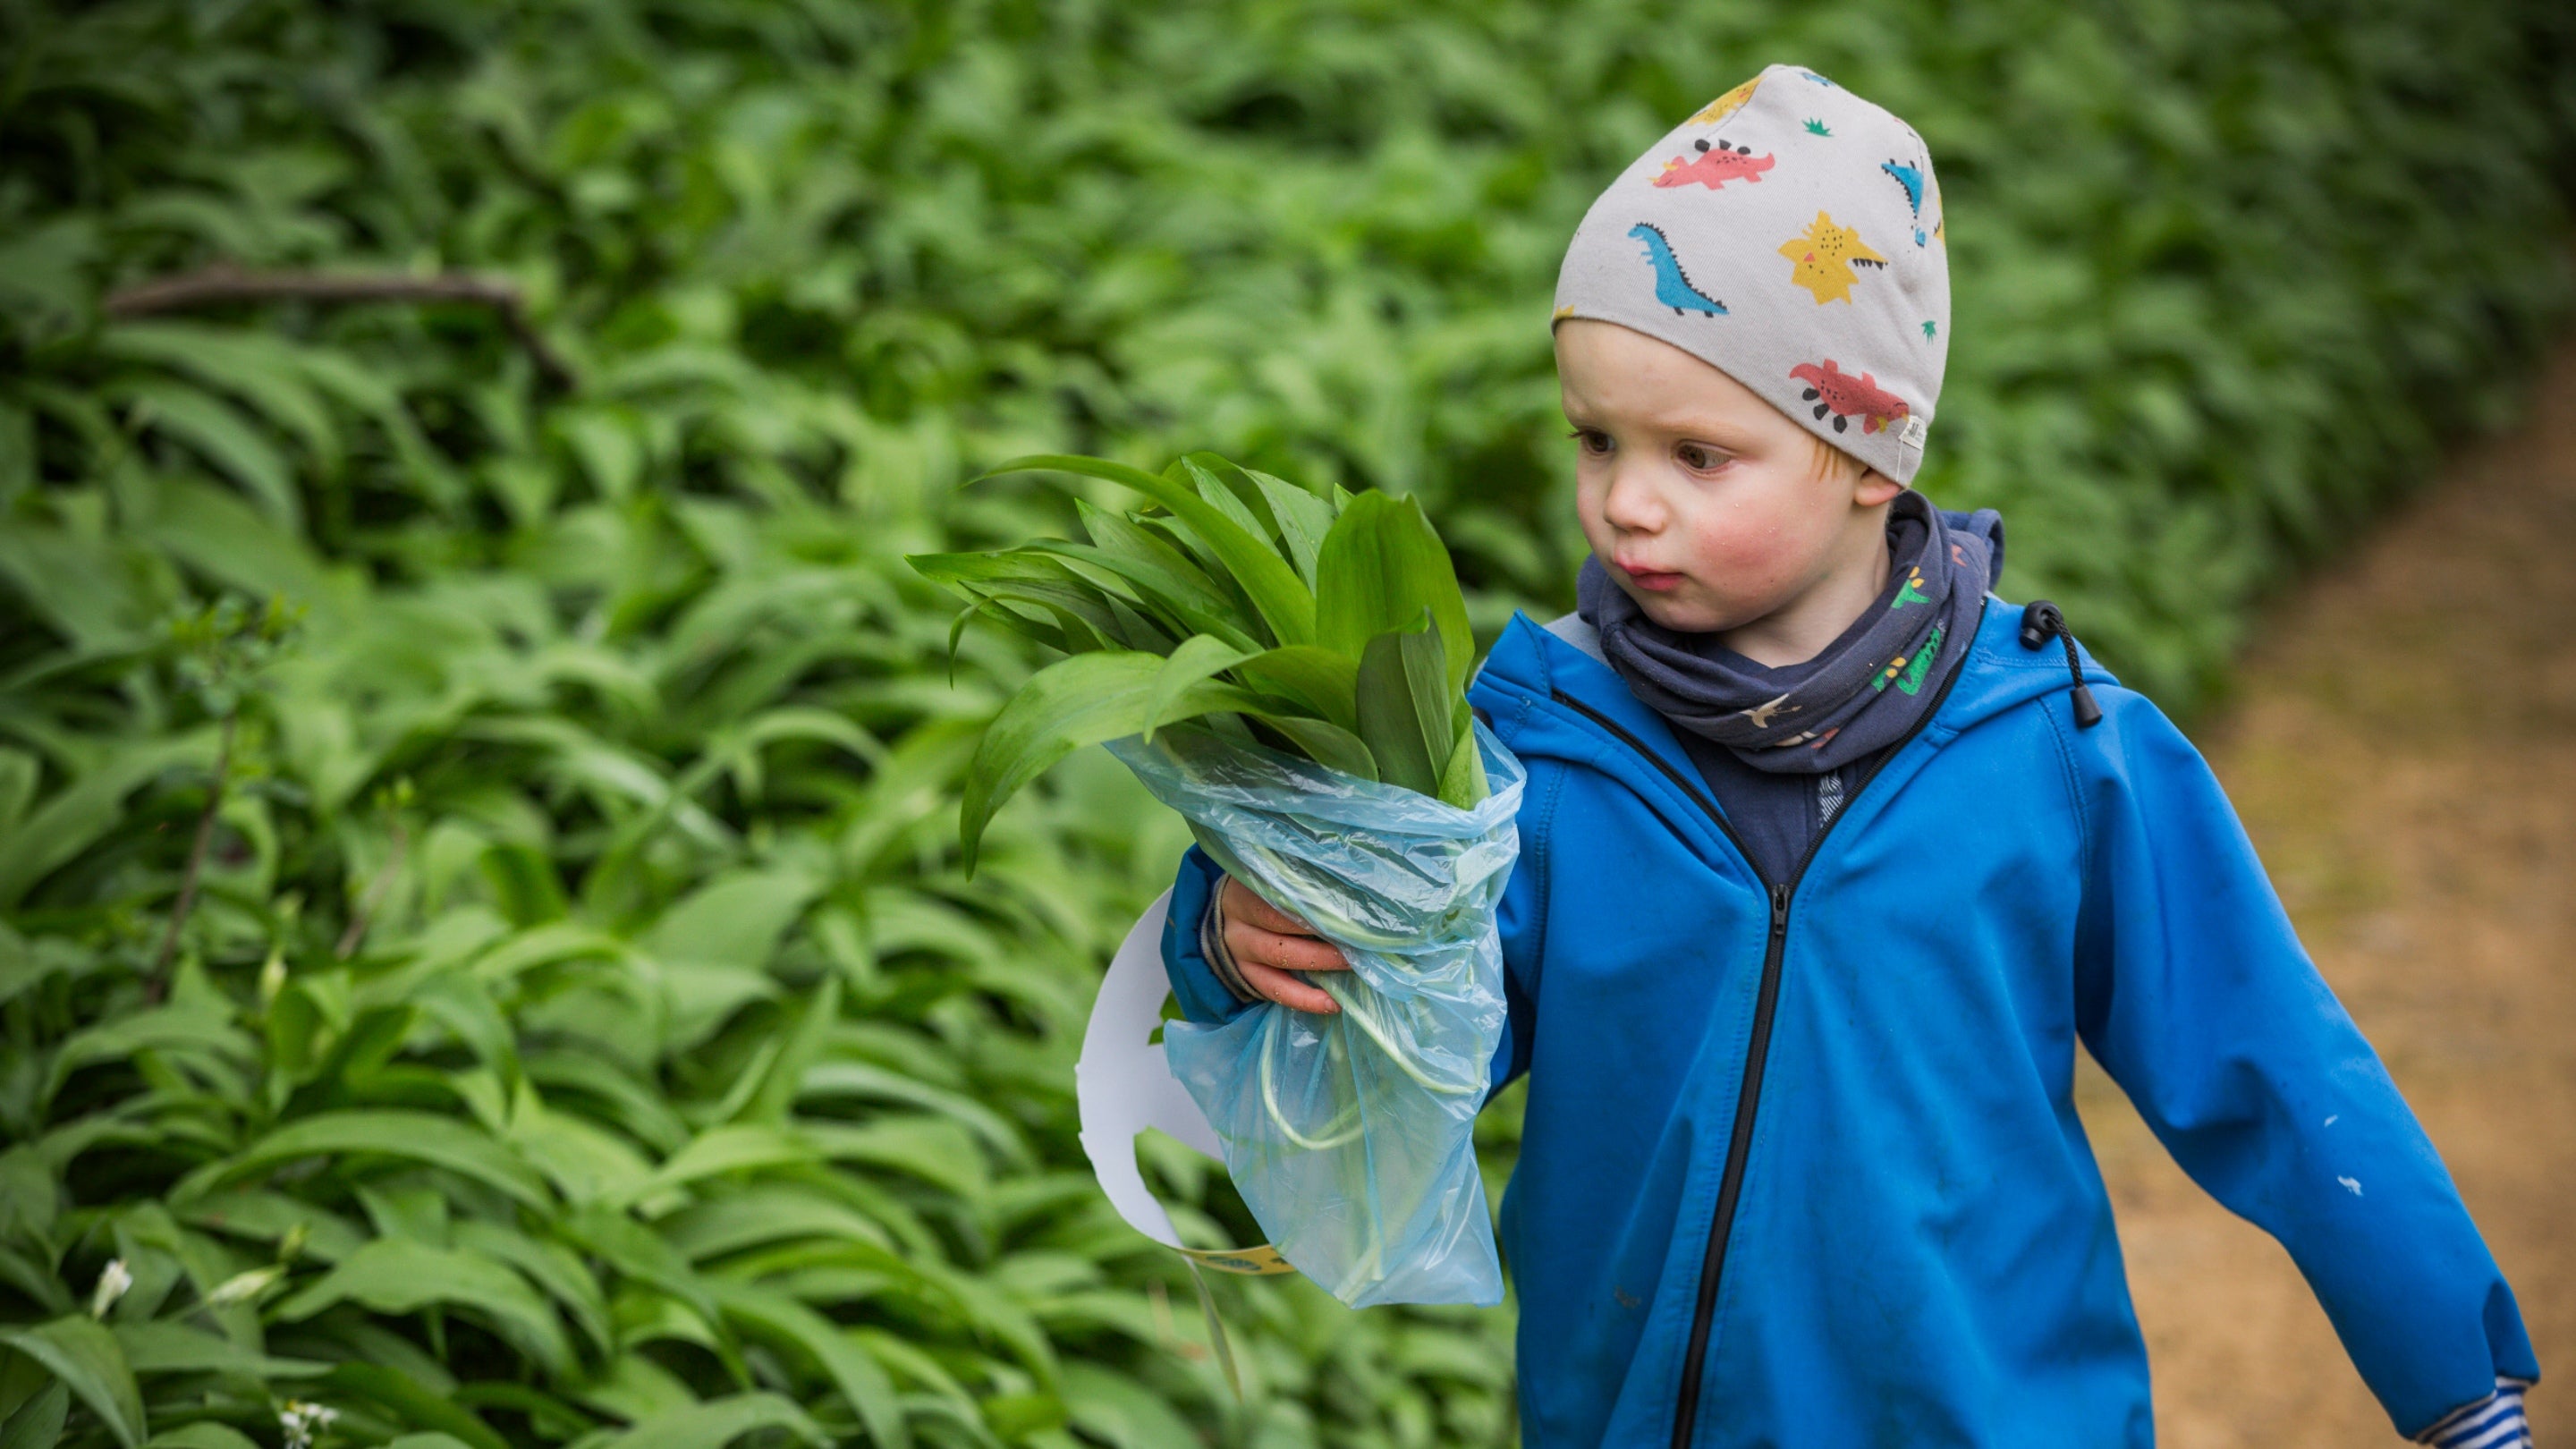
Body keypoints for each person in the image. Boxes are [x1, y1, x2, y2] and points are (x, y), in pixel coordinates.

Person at [1155, 63, 2538, 1447]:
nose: (1624, 502)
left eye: (1700, 455)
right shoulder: (1546, 750)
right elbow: (1414, 1020)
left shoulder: (2056, 747)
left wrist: (2453, 1374)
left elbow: (2271, 1056)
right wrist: (1232, 929)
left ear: (1868, 452)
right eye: (1596, 439)